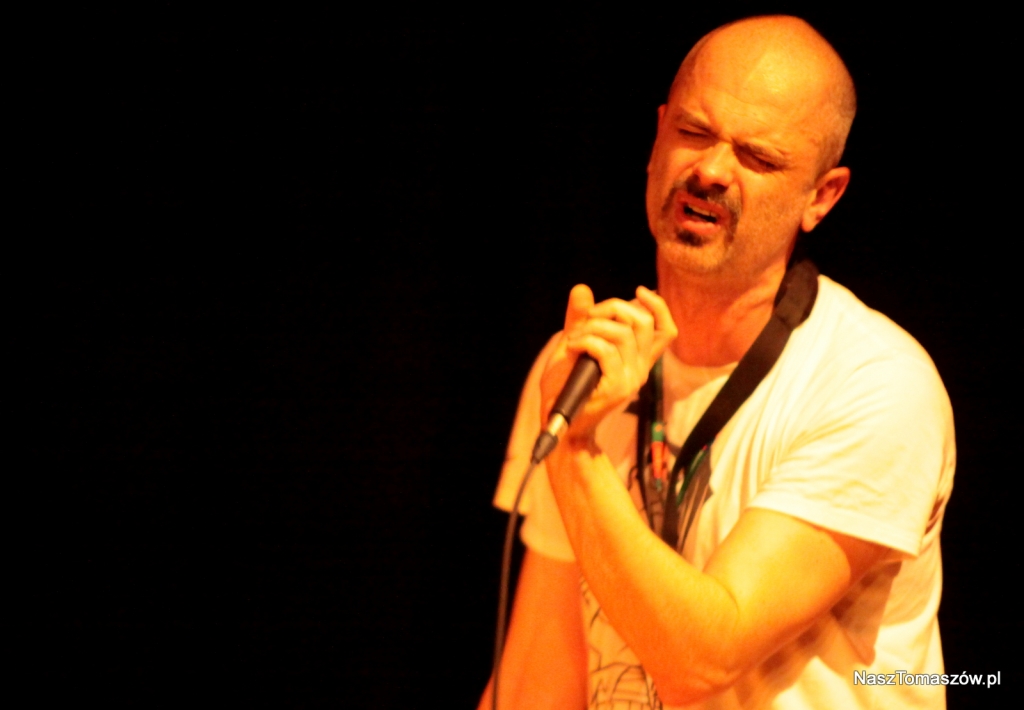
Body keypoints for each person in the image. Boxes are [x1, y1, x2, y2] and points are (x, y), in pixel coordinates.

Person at [479, 14, 955, 710]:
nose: (709, 171)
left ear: (821, 197)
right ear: (657, 137)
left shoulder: (875, 383)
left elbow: (703, 658)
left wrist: (576, 450)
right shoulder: (584, 363)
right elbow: (535, 682)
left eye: (758, 158)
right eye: (694, 132)